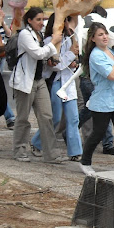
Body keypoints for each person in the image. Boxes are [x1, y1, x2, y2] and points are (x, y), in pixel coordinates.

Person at [9, 7, 66, 163]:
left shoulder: (39, 35)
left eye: (43, 19)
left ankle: (51, 154)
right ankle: (20, 150)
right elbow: (37, 53)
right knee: (23, 118)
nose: (42, 23)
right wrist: (53, 43)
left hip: (39, 80)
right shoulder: (25, 35)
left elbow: (42, 55)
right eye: (38, 20)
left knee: (47, 116)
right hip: (24, 82)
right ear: (29, 20)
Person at [79, 22, 114, 175]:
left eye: (105, 34)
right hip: (103, 102)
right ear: (93, 39)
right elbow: (112, 75)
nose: (104, 37)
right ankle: (85, 161)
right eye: (100, 35)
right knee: (98, 133)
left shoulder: (112, 51)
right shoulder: (96, 55)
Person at [30, 14, 83, 161]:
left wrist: (74, 60)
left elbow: (74, 59)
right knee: (55, 117)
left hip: (68, 82)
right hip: (55, 82)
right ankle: (37, 143)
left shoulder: (72, 38)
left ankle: (75, 151)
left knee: (73, 118)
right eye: (68, 21)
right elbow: (56, 65)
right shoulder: (49, 41)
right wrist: (71, 55)